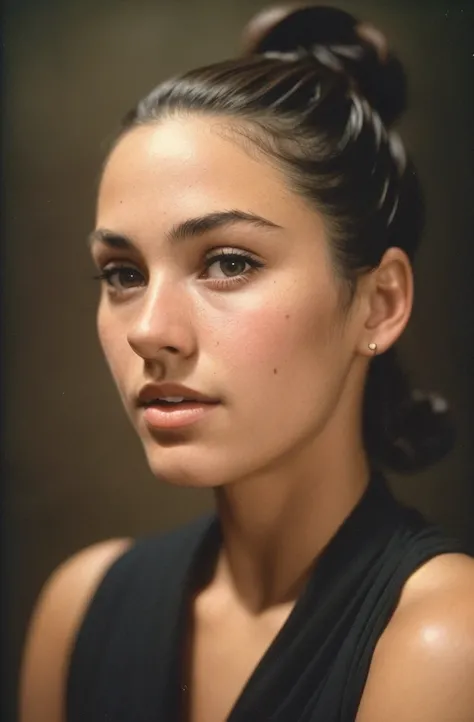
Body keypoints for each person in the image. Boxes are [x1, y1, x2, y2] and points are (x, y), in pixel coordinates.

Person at [19, 4, 474, 722]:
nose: (150, 331)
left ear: (379, 302)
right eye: (122, 273)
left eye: (228, 262)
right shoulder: (79, 611)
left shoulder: (447, 639)